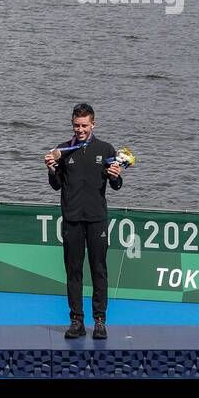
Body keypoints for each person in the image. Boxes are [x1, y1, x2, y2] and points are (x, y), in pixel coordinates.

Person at [44, 102, 125, 340]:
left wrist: (116, 176)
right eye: (76, 125)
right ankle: (76, 321)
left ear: (93, 124)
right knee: (73, 271)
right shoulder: (62, 150)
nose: (80, 130)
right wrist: (51, 170)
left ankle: (99, 321)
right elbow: (56, 185)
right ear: (72, 124)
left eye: (84, 125)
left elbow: (116, 186)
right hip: (71, 219)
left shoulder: (106, 149)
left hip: (97, 219)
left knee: (99, 270)